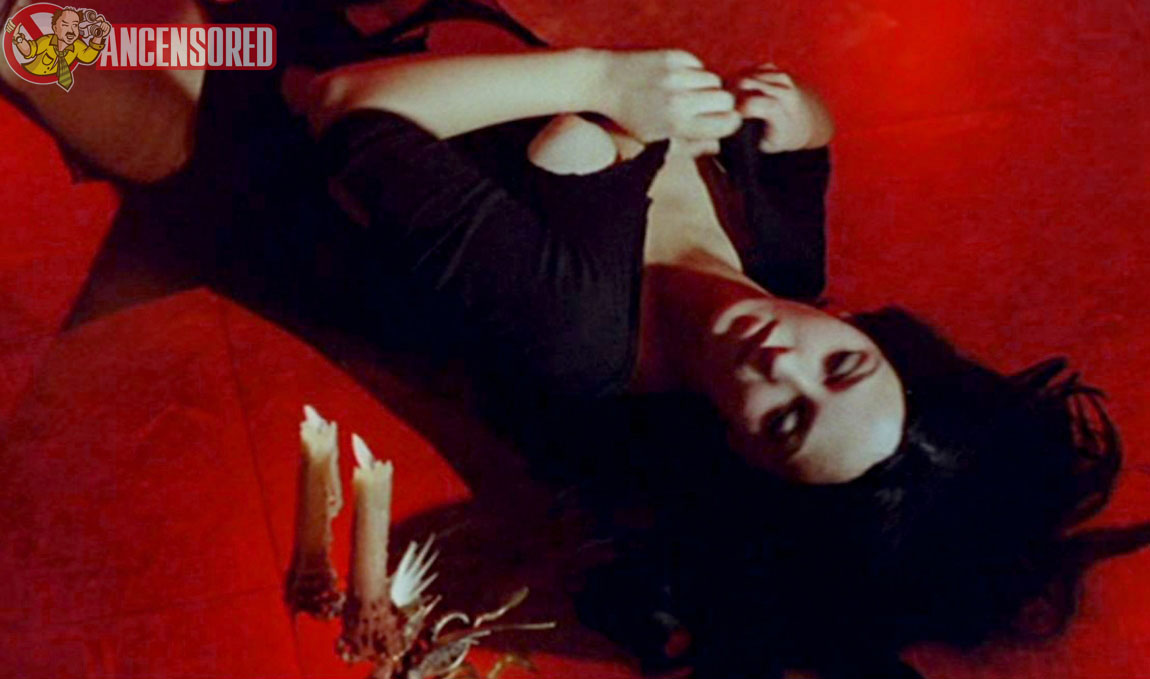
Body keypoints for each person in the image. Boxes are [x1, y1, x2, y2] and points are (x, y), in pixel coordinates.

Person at [289, 16, 1128, 679]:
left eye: (787, 420)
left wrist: (598, 81)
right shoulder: (785, 263)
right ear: (863, 328)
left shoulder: (577, 329)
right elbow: (808, 145)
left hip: (263, 82)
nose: (782, 361)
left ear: (744, 447)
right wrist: (801, 111)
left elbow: (342, 102)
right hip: (420, 24)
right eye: (841, 363)